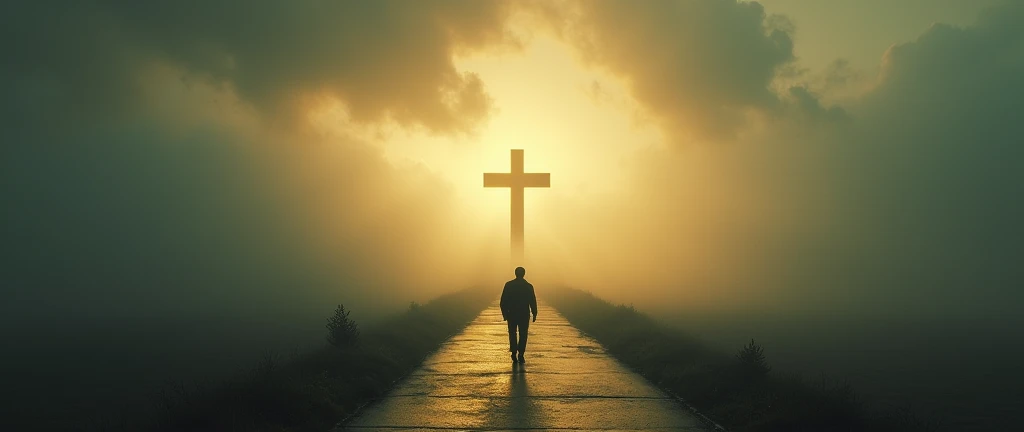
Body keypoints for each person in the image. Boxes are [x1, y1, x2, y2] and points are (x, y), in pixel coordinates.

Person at [500, 266, 537, 364]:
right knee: (523, 334)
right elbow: (532, 301)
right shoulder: (528, 286)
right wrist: (534, 313)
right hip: (524, 314)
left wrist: (504, 314)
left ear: (515, 273)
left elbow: (503, 301)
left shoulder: (509, 285)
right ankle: (521, 354)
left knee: (512, 333)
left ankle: (513, 352)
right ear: (524, 274)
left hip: (511, 313)